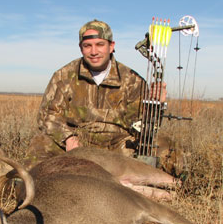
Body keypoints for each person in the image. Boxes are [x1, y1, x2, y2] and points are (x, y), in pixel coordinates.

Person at [26, 19, 183, 175]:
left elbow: (143, 126)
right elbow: (47, 116)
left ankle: (172, 186)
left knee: (162, 146)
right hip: (78, 145)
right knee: (41, 143)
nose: (94, 52)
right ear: (81, 48)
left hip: (118, 147)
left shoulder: (132, 80)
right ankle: (28, 190)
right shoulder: (63, 76)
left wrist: (156, 105)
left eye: (100, 44)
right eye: (88, 46)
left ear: (111, 46)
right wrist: (68, 138)